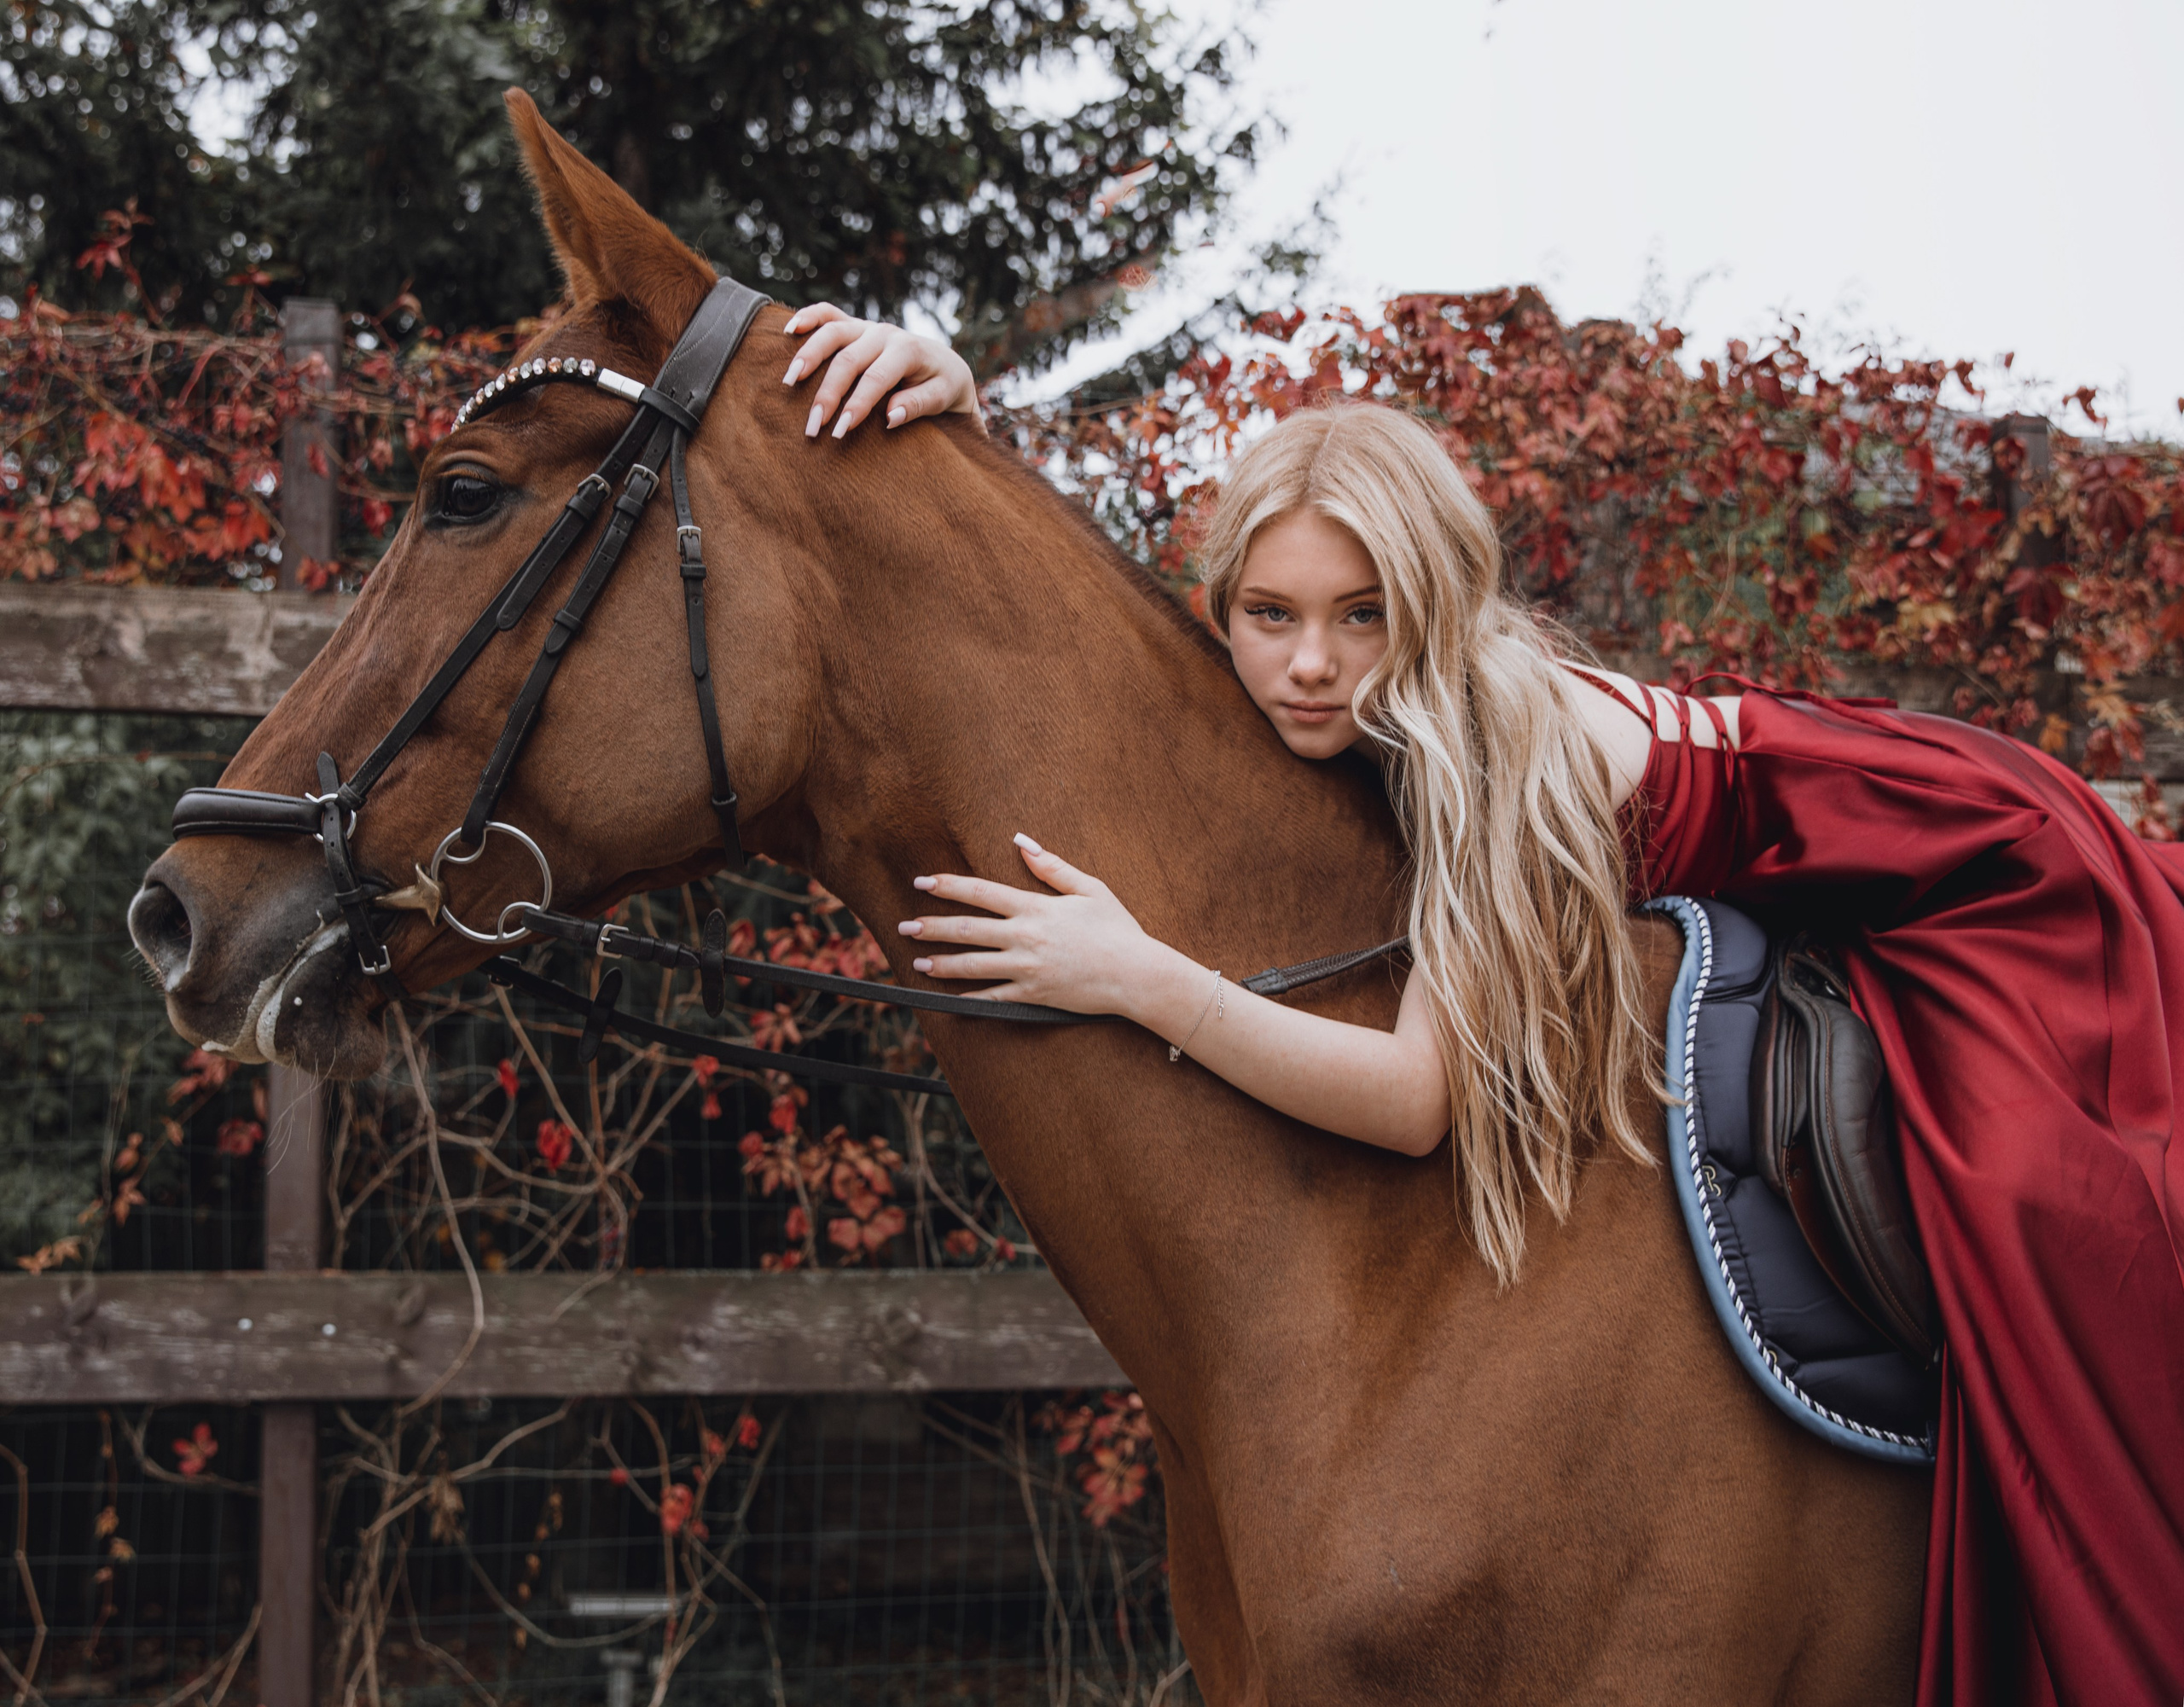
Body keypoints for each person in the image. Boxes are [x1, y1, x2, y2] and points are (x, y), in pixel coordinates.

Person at [780, 305, 2184, 1706]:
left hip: (1960, 863)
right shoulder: (1313, 678)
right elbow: (1116, 646)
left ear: (1431, 606)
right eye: (1269, 616)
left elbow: (1414, 1098)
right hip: (1813, 844)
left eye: (1361, 615)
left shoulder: (1483, 749)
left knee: (2023, 1182)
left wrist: (1145, 976)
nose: (1309, 664)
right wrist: (958, 419)